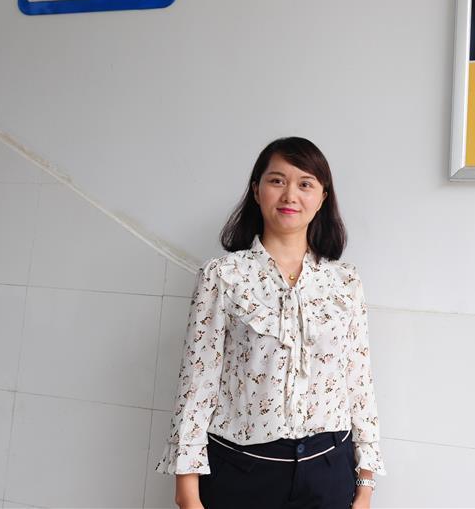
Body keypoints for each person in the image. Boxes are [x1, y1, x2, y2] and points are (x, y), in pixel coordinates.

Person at [155, 137, 386, 509]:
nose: (290, 195)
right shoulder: (223, 275)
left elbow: (359, 381)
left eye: (305, 184)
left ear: (323, 197)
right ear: (256, 190)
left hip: (329, 471)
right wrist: (187, 492)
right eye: (277, 181)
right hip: (242, 471)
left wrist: (366, 481)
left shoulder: (345, 281)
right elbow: (197, 384)